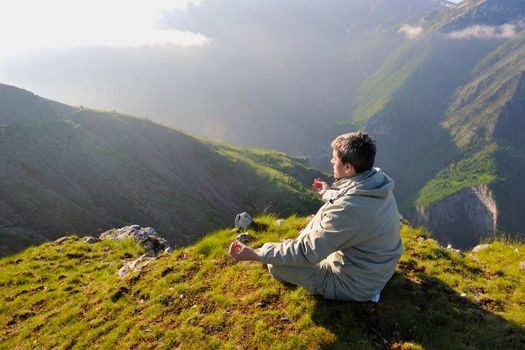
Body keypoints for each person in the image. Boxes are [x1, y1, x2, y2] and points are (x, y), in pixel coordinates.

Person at [229, 131, 403, 302]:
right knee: (326, 212)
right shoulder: (376, 183)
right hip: (375, 269)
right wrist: (327, 193)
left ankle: (285, 254)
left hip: (356, 285)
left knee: (276, 265)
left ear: (348, 168)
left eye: (335, 159)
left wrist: (257, 253)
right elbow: (350, 201)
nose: (331, 161)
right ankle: (291, 249)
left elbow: (307, 252)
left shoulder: (347, 210)